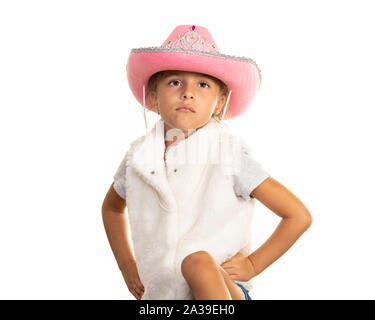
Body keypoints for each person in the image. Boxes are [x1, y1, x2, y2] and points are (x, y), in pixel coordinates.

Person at [101, 25, 312, 300]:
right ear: (152, 95)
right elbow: (111, 209)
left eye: (202, 85)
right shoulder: (139, 158)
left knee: (197, 262)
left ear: (220, 101)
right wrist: (127, 266)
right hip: (163, 295)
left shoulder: (228, 154)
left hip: (222, 291)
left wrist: (251, 264)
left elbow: (297, 215)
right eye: (175, 82)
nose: (188, 93)